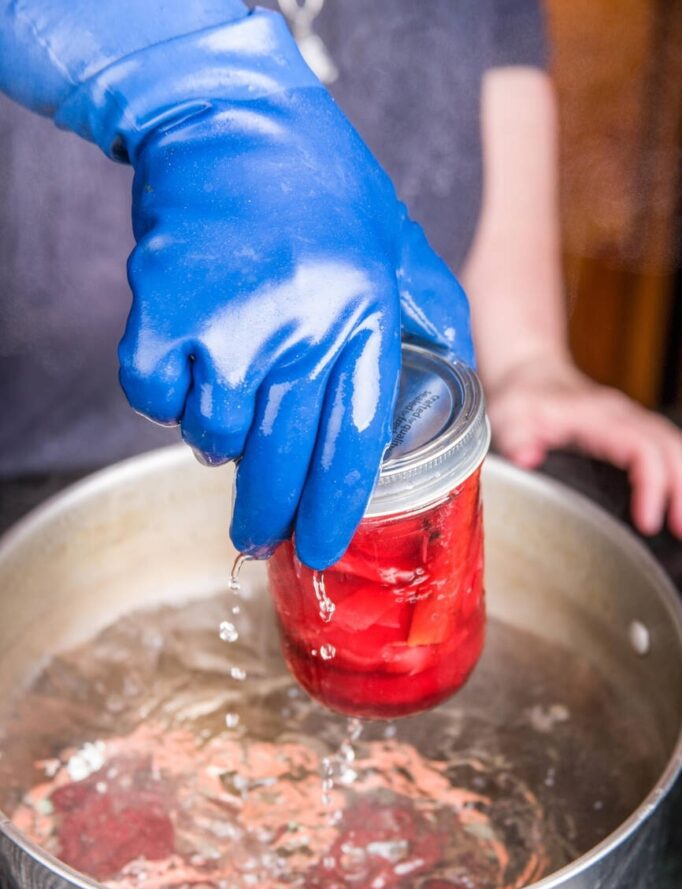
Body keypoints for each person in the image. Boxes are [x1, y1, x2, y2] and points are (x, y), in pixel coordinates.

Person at [0, 0, 680, 574]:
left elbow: (497, 44)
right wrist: (185, 85)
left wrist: (530, 362)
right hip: (36, 503)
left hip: (376, 472)